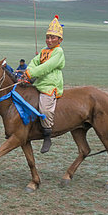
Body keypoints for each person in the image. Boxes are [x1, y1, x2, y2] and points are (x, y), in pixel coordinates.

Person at [21, 15, 65, 154]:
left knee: (45, 108)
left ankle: (47, 134)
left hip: (50, 85)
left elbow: (47, 67)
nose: (49, 40)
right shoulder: (43, 51)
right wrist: (27, 72)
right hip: (38, 83)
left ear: (60, 40)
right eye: (48, 37)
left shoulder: (58, 52)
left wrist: (30, 74)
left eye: (53, 37)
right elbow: (34, 62)